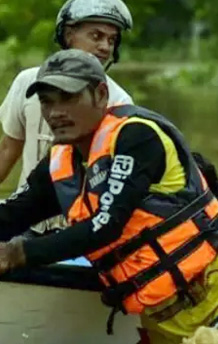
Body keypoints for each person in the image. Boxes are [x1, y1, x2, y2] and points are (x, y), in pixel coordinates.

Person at [0, 50, 218, 344]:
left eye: (67, 98)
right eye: (47, 101)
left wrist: (18, 253)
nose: (56, 112)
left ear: (100, 94)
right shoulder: (60, 163)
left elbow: (107, 225)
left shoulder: (136, 136)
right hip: (163, 323)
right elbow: (13, 215)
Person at [0, 0, 134, 235]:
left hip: (82, 229)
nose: (105, 47)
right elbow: (7, 150)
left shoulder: (119, 102)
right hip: (25, 220)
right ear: (69, 35)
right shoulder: (27, 83)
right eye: (96, 36)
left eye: (111, 40)